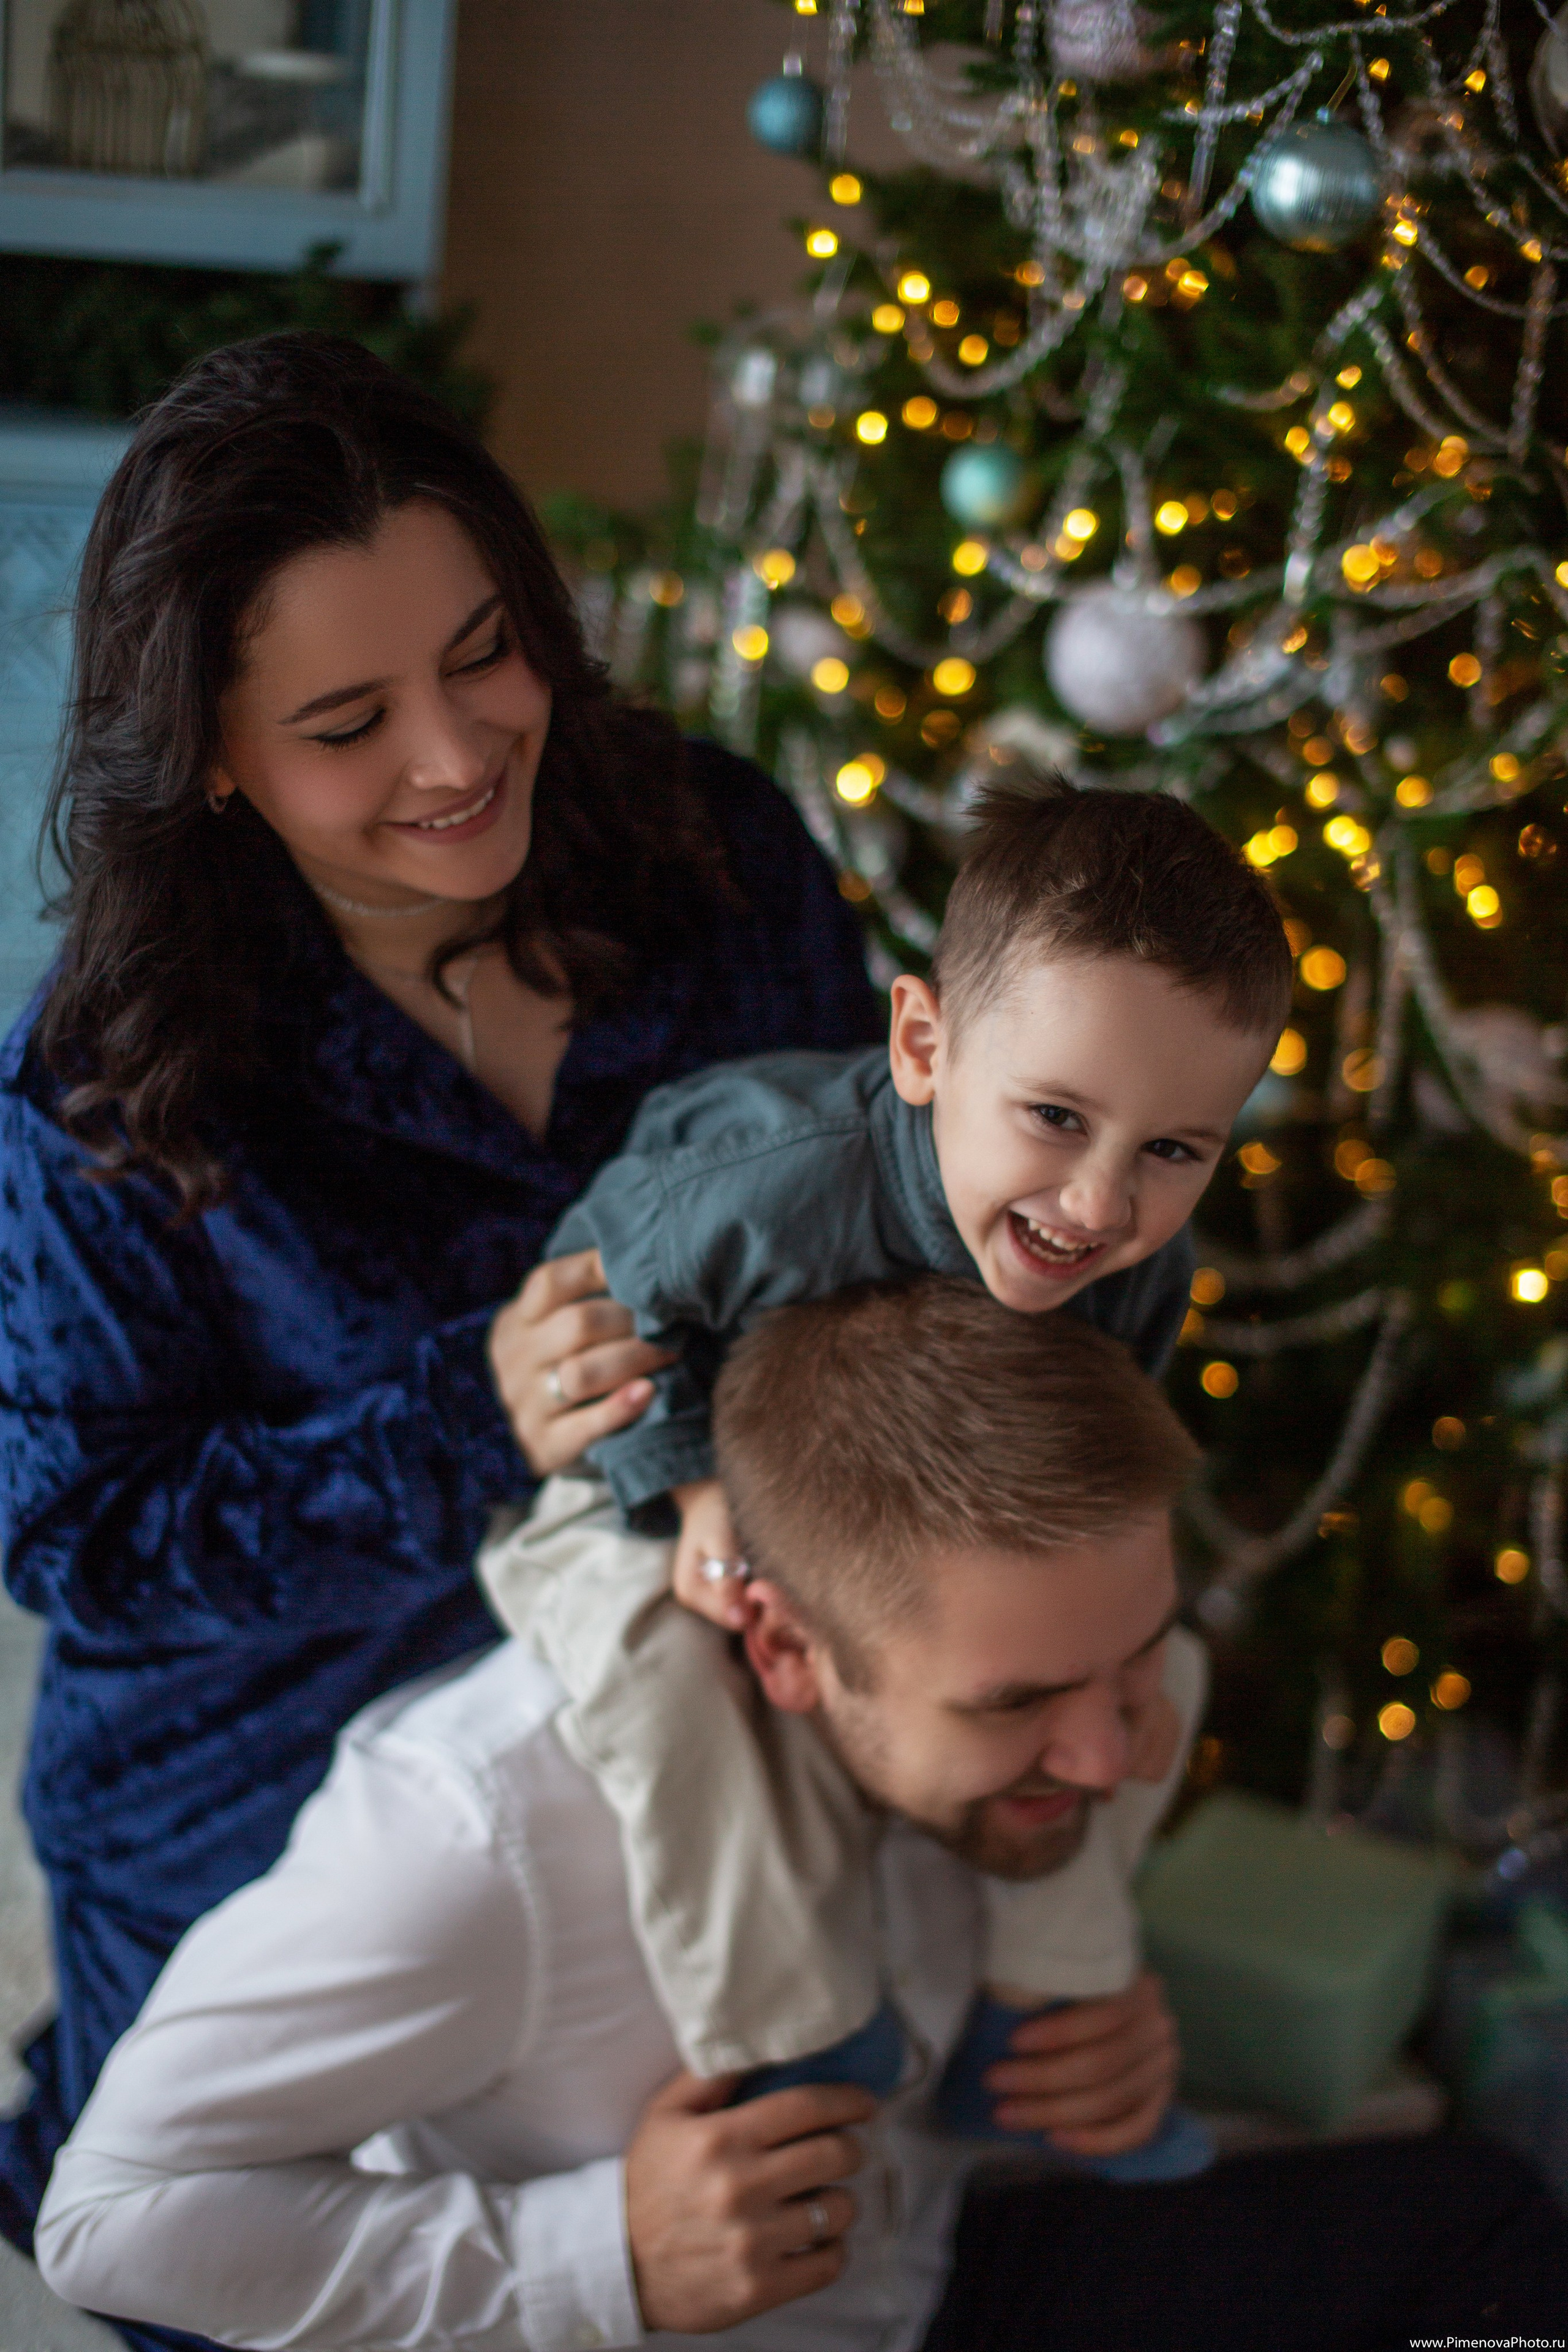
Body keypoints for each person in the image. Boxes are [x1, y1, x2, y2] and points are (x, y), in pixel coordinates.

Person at [0, 331, 880, 2294]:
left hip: (684, 1701)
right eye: (345, 720)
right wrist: (459, 1418)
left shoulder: (719, 860)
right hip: (261, 1781)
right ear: (215, 756)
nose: (460, 752)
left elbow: (862, 1228)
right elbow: (86, 1546)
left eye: (488, 650)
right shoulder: (104, 1081)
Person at [34, 1283, 1568, 2351]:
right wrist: (600, 2256)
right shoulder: (472, 1836)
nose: (1109, 1762)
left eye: (1129, 1667)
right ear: (781, 1648)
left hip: (935, 2281)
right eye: (1018, 1703)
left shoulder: (1066, 1693)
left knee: (1494, 2246)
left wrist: (1104, 2022)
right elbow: (114, 2218)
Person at [478, 783, 1291, 2125]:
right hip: (661, 1472)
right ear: (921, 1042)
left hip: (907, 1541)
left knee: (1159, 1681)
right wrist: (690, 1495)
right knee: (657, 1673)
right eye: (1052, 1118)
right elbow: (599, 1292)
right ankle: (787, 2029)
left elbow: (1094, 1471)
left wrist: (1118, 1654)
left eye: (1169, 1149)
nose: (1097, 1203)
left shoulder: (1141, 1267)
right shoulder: (771, 1176)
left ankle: (1040, 2017)